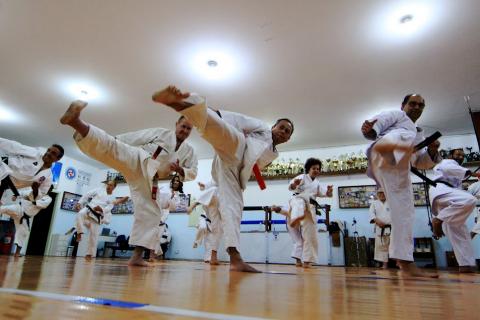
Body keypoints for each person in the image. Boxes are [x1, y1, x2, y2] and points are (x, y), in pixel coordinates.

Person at [152, 85, 294, 272]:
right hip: (238, 146)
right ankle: (185, 104)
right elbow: (237, 120)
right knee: (222, 130)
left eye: (286, 132)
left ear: (288, 139)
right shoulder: (261, 128)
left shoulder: (274, 155)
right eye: (281, 127)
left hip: (235, 172)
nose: (282, 132)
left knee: (234, 208)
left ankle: (235, 257)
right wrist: (215, 113)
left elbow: (254, 167)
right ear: (273, 126)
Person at [59, 99, 198, 266]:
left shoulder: (189, 152)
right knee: (114, 147)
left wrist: (181, 170)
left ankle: (137, 256)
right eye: (183, 126)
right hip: (140, 159)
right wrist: (115, 141)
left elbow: (193, 172)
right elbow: (135, 137)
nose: (184, 130)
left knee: (153, 213)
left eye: (188, 129)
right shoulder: (161, 133)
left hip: (150, 178)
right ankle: (76, 122)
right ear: (176, 124)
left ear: (191, 131)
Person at [361, 94, 441, 277]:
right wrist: (370, 131)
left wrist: (431, 151)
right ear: (403, 105)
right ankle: (405, 262)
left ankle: (403, 260)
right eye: (412, 103)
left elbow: (420, 163)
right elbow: (377, 125)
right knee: (404, 210)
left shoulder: (418, 134)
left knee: (404, 211)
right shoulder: (397, 115)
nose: (416, 107)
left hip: (396, 163)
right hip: (387, 150)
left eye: (421, 105)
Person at [272, 158, 332, 268]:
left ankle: (307, 261)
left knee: (310, 236)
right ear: (308, 169)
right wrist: (295, 185)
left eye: (318, 169)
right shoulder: (302, 177)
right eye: (314, 168)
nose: (316, 170)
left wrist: (328, 192)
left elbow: (325, 194)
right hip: (297, 200)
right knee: (298, 203)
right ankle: (295, 217)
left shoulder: (317, 183)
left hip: (309, 208)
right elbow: (291, 187)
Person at [429, 148, 479, 273]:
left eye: (462, 155)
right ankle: (438, 220)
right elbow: (448, 169)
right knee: (470, 200)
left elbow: (458, 186)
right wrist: (475, 174)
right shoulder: (447, 162)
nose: (460, 157)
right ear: (451, 155)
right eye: (458, 154)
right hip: (441, 190)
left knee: (460, 234)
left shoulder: (456, 173)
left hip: (447, 196)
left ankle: (466, 265)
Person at [74, 180, 128, 260]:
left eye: (110, 185)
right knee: (80, 213)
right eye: (108, 184)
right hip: (89, 208)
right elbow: (87, 194)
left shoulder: (112, 197)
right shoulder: (99, 190)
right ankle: (79, 233)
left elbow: (109, 207)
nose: (108, 186)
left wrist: (101, 209)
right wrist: (79, 203)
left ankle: (89, 254)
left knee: (93, 235)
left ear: (114, 187)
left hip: (97, 215)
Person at [0, 138, 63, 202]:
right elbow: (14, 146)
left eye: (53, 153)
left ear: (58, 159)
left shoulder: (48, 177)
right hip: (3, 169)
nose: (48, 153)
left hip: (6, 185)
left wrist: (35, 189)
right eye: (48, 150)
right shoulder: (35, 153)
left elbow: (39, 196)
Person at [0, 187, 52, 257]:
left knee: (23, 234)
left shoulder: (48, 199)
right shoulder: (33, 190)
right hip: (19, 209)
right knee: (4, 208)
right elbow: (22, 193)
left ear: (50, 190)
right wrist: (15, 195)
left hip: (25, 217)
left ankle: (17, 253)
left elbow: (40, 204)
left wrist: (29, 198)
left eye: (48, 188)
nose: (46, 189)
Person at [188, 181, 222, 265]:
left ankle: (209, 258)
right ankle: (196, 241)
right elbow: (211, 186)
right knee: (202, 227)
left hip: (215, 219)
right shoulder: (214, 188)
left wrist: (204, 186)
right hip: (204, 217)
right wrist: (204, 185)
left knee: (211, 240)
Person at [369, 189, 391, 269]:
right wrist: (377, 221)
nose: (382, 194)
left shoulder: (391, 202)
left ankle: (399, 263)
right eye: (380, 193)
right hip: (380, 227)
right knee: (382, 246)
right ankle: (385, 264)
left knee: (394, 246)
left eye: (383, 193)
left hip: (391, 227)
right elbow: (371, 214)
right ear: (377, 194)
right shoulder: (374, 203)